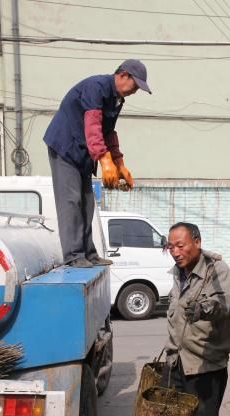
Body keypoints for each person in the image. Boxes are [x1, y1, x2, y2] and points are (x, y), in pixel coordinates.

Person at [44, 59, 151, 268]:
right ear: (123, 75)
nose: (135, 90)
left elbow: (108, 131)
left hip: (84, 152)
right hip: (65, 146)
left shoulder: (117, 100)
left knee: (86, 202)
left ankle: (89, 253)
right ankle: (74, 255)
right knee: (71, 201)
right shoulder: (97, 87)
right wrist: (104, 159)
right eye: (135, 85)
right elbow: (92, 124)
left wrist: (119, 162)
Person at [162, 222, 230, 416]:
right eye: (171, 246)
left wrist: (203, 308)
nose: (175, 252)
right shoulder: (178, 272)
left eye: (180, 245)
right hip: (176, 357)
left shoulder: (215, 269)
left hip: (205, 362)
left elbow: (223, 303)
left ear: (196, 242)